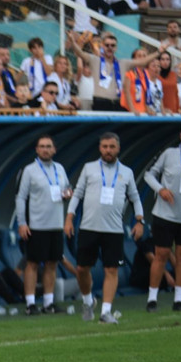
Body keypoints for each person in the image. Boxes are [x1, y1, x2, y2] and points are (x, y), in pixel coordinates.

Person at [65, 133, 144, 323]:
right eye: (105, 147)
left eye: (111, 147)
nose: (108, 150)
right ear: (100, 148)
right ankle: (87, 301)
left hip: (114, 230)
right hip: (89, 227)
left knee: (112, 270)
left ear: (118, 148)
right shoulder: (89, 168)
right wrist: (69, 218)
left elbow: (135, 198)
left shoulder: (126, 172)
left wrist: (139, 221)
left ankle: (105, 312)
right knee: (82, 269)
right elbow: (77, 194)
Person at [16, 136, 72, 315]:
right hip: (36, 225)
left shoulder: (60, 168)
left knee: (52, 264)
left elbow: (67, 188)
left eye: (48, 146)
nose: (45, 149)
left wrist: (68, 193)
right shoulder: (30, 170)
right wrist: (22, 223)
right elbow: (21, 197)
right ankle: (30, 304)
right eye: (42, 147)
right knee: (32, 264)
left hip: (55, 224)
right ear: (37, 150)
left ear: (54, 149)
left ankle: (49, 303)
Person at [143, 124, 181, 312]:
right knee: (161, 254)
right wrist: (160, 189)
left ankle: (178, 299)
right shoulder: (169, 154)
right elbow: (149, 174)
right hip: (165, 214)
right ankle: (152, 298)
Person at [68, 30, 164, 111]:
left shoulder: (123, 63)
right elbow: (79, 53)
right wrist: (73, 42)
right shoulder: (95, 60)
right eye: (107, 45)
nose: (110, 48)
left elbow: (143, 61)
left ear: (116, 48)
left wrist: (159, 52)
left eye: (112, 45)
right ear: (102, 46)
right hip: (100, 103)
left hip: (117, 103)